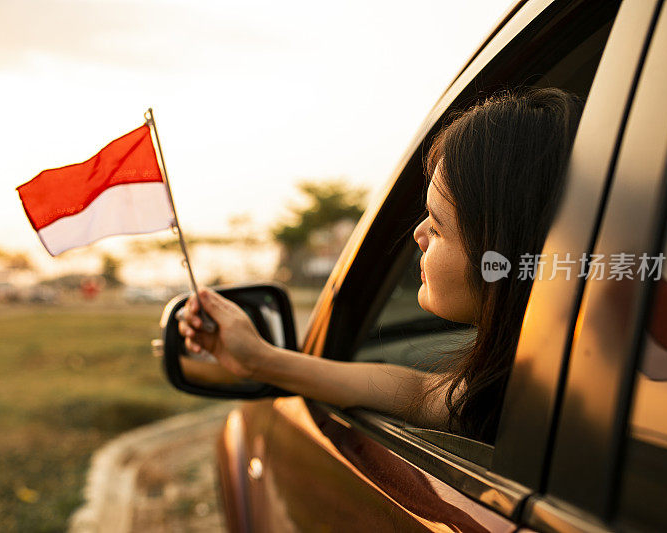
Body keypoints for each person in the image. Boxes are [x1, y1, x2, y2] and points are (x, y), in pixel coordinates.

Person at [178, 87, 584, 444]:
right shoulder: (535, 382)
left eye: (438, 226)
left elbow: (422, 397)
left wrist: (260, 361)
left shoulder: (553, 403)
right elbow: (418, 395)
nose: (418, 235)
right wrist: (258, 360)